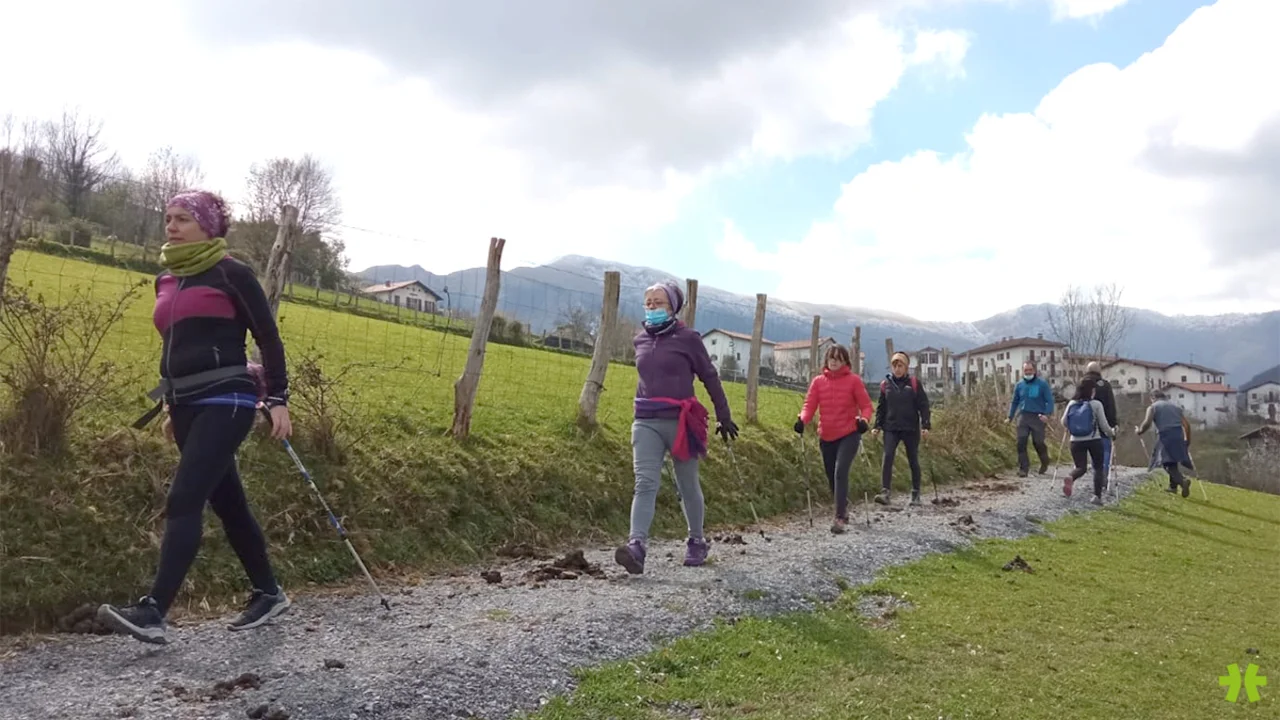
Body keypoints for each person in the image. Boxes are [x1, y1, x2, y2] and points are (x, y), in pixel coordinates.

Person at [97, 190, 293, 644]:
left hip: (228, 399)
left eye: (183, 218)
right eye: (168, 217)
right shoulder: (166, 278)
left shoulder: (232, 274)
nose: (171, 226)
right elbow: (174, 347)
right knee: (229, 503)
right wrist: (170, 405)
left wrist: (278, 397)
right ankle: (269, 592)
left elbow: (268, 338)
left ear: (208, 226)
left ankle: (154, 611)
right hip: (184, 403)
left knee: (185, 498)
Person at [614, 281, 738, 574]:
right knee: (645, 483)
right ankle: (636, 546)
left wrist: (724, 415)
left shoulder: (688, 339)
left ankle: (696, 540)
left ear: (673, 307)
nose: (652, 307)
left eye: (659, 302)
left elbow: (709, 376)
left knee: (687, 485)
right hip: (645, 420)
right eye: (649, 303)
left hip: (681, 422)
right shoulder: (640, 339)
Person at [795, 345, 874, 534]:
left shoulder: (854, 381)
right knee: (831, 475)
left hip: (849, 433)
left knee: (840, 471)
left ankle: (839, 517)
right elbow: (809, 405)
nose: (834, 361)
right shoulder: (818, 382)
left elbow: (866, 406)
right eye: (831, 357)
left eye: (838, 358)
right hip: (826, 435)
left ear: (845, 361)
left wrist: (864, 421)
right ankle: (843, 506)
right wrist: (802, 420)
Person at [872, 351, 931, 506]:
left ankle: (916, 493)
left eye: (900, 366)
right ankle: (885, 492)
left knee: (913, 459)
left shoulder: (914, 384)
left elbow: (923, 405)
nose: (897, 369)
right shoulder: (885, 385)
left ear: (906, 367)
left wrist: (925, 425)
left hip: (910, 428)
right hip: (891, 427)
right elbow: (881, 408)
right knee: (888, 457)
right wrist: (877, 426)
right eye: (894, 366)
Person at [1060, 376, 1116, 504]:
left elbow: (1063, 421)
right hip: (1093, 440)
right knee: (1098, 467)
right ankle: (1096, 496)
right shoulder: (1096, 404)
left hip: (1075, 441)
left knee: (1081, 467)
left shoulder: (1072, 403)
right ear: (1092, 391)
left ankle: (1071, 477)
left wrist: (1073, 427)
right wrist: (1112, 433)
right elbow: (1104, 425)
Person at [1136, 389, 1194, 497]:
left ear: (1153, 398)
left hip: (1165, 436)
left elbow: (1147, 423)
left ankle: (1182, 481)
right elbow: (1187, 425)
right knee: (1173, 461)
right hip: (1179, 435)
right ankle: (1173, 487)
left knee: (1166, 462)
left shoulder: (1153, 407)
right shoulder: (1176, 407)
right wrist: (1187, 440)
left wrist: (1139, 431)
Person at [1007, 361, 1055, 477]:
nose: (1028, 372)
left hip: (1038, 417)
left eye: (1030, 370)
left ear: (1034, 370)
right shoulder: (1019, 385)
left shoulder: (1042, 384)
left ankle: (1044, 461)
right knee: (1021, 442)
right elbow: (1014, 402)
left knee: (1038, 442)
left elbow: (1050, 401)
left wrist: (1047, 414)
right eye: (1026, 370)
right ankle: (1023, 469)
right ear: (1023, 371)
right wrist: (1010, 416)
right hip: (1023, 416)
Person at [1081, 360, 1119, 481]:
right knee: (1105, 449)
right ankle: (1103, 472)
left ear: (1087, 371)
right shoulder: (1105, 385)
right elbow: (1111, 406)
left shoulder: (1081, 384)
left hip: (1085, 422)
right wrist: (1113, 424)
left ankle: (1096, 473)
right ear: (1099, 371)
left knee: (1092, 450)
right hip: (1103, 423)